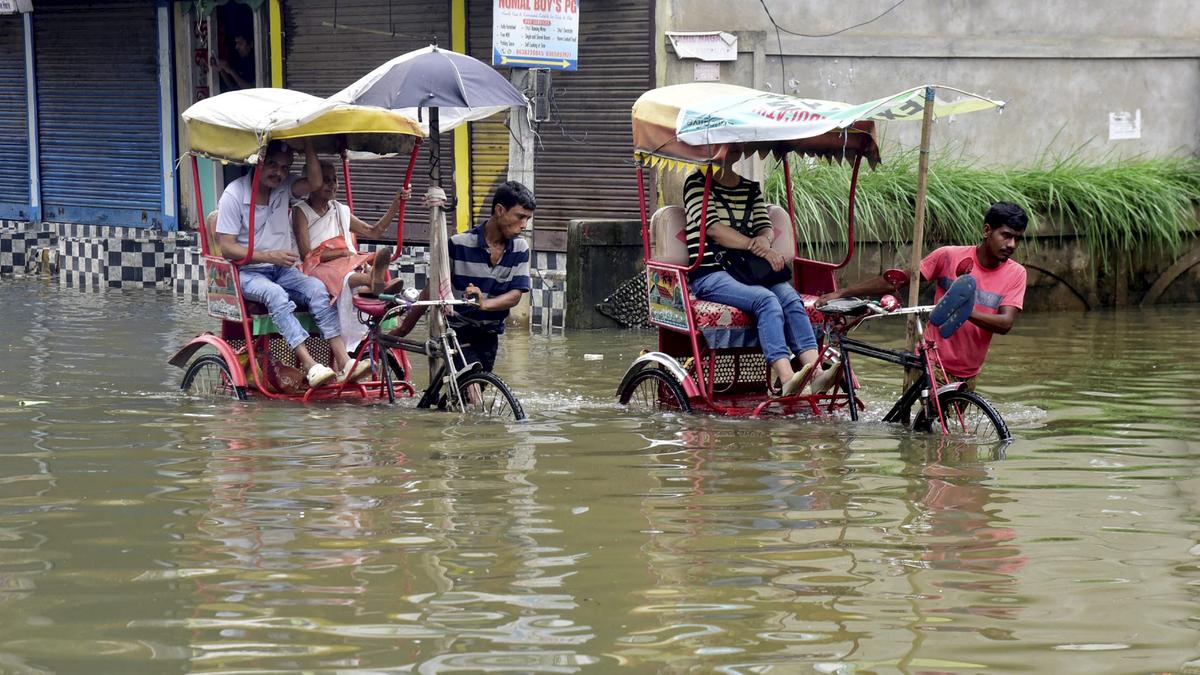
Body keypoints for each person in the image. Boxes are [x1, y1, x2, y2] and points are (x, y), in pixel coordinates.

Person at [818, 201, 1029, 387]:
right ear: (986, 231)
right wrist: (842, 292)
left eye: (1017, 239)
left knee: (952, 429)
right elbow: (896, 281)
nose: (1011, 245)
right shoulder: (948, 256)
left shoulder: (1016, 274)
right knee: (928, 427)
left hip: (969, 371)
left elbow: (1005, 323)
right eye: (1006, 236)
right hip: (931, 359)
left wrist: (964, 311)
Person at [214, 139, 369, 388]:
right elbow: (227, 247)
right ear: (259, 161)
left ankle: (344, 361)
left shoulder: (284, 187)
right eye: (273, 165)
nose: (279, 173)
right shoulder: (234, 194)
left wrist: (308, 144)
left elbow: (316, 183)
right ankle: (310, 365)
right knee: (275, 294)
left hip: (282, 270)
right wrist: (270, 256)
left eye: (285, 168)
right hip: (247, 272)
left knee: (317, 288)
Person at [682, 157, 836, 397]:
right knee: (766, 300)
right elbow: (713, 229)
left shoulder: (750, 188)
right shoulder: (697, 184)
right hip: (711, 272)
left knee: (790, 298)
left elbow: (764, 227)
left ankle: (816, 374)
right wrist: (758, 247)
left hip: (748, 270)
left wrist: (764, 240)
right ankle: (787, 378)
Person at [395, 181, 534, 372]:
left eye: (528, 219)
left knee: (472, 390)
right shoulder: (458, 244)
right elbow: (432, 289)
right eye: (520, 217)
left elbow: (516, 294)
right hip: (456, 332)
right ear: (500, 210)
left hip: (489, 334)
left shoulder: (520, 248)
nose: (524, 225)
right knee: (472, 390)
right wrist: (404, 329)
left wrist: (484, 303)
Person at [292, 160, 410, 353]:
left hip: (345, 264)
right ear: (311, 183)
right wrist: (341, 252)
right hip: (314, 268)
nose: (332, 185)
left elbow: (373, 232)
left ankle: (373, 281)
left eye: (334, 179)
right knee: (347, 273)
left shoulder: (340, 210)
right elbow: (307, 254)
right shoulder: (301, 211)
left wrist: (396, 205)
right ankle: (374, 282)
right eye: (325, 180)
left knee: (355, 266)